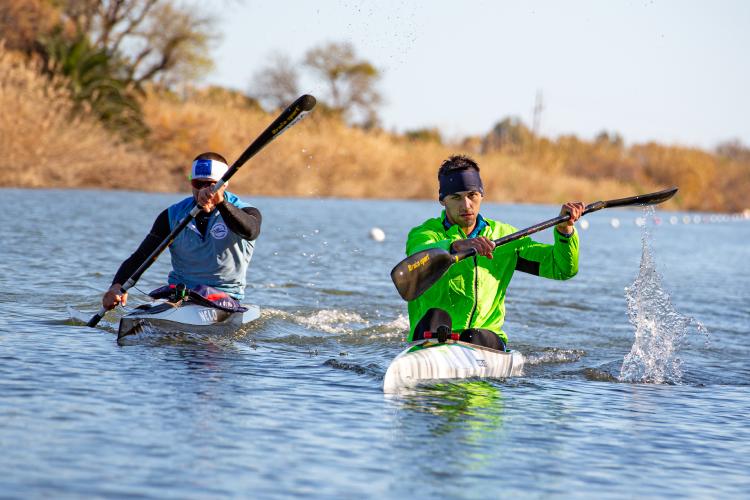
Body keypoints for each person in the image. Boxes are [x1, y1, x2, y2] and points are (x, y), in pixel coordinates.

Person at [405, 154, 584, 351]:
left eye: (472, 195)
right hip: (432, 335)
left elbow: (562, 269)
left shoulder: (506, 237)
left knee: (474, 336)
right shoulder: (424, 234)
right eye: (456, 197)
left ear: (481, 195)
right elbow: (419, 252)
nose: (466, 205)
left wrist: (564, 232)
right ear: (442, 200)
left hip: (483, 340)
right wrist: (457, 245)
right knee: (435, 318)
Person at [101, 152, 262, 310]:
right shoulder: (172, 215)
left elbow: (251, 232)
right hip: (179, 293)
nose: (203, 191)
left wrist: (221, 203)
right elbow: (141, 256)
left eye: (211, 184)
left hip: (224, 298)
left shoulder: (246, 211)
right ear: (191, 183)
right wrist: (117, 287)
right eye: (198, 184)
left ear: (224, 184)